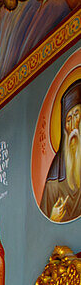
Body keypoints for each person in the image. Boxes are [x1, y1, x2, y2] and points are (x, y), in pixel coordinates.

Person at [40, 82, 81, 223]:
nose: (73, 125)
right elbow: (42, 224)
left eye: (77, 115)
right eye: (68, 120)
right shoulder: (54, 177)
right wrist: (53, 217)